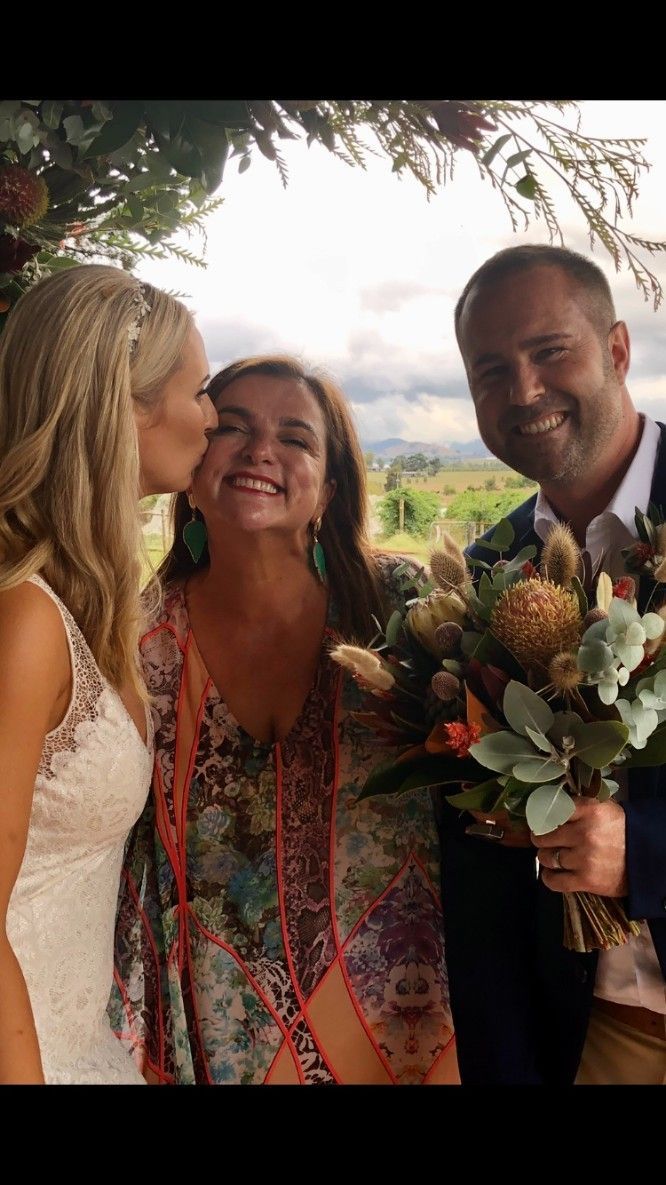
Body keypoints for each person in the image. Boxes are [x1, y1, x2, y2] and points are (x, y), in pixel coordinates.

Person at [112, 355, 458, 1085]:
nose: (260, 450)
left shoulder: (405, 611)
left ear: (328, 490)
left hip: (411, 1027)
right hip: (220, 1039)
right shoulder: (141, 641)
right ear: (192, 471)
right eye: (231, 428)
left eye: (294, 438)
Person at [439, 243, 666, 1085]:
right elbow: (484, 889)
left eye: (549, 352)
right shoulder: (484, 576)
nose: (524, 390)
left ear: (617, 348)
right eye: (491, 371)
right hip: (589, 1041)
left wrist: (647, 853)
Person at [0, 264, 217, 1084]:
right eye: (199, 391)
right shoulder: (26, 618)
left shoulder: (88, 603)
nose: (212, 416)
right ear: (125, 404)